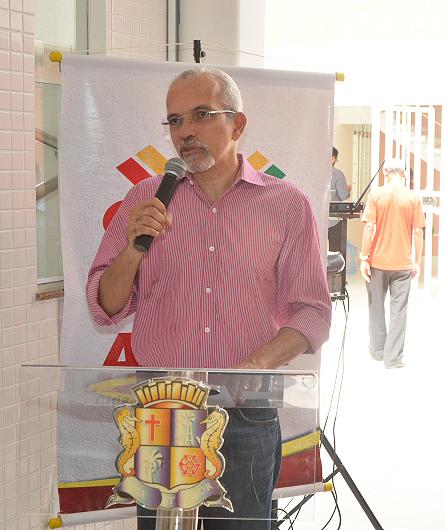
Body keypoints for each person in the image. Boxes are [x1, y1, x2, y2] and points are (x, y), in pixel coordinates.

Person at [86, 67, 331, 530]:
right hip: (163, 407)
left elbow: (313, 312)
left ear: (238, 125)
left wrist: (255, 365)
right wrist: (133, 248)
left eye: (201, 115)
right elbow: (105, 306)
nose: (185, 132)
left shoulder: (287, 204)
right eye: (175, 120)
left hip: (245, 408)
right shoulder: (145, 199)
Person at [359, 158, 425, 369]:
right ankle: (393, 357)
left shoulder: (376, 195)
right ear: (404, 174)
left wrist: (364, 257)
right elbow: (418, 232)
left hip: (377, 262)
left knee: (376, 307)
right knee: (399, 311)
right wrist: (417, 261)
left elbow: (369, 227)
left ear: (385, 174)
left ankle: (378, 351)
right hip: (403, 265)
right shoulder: (413, 198)